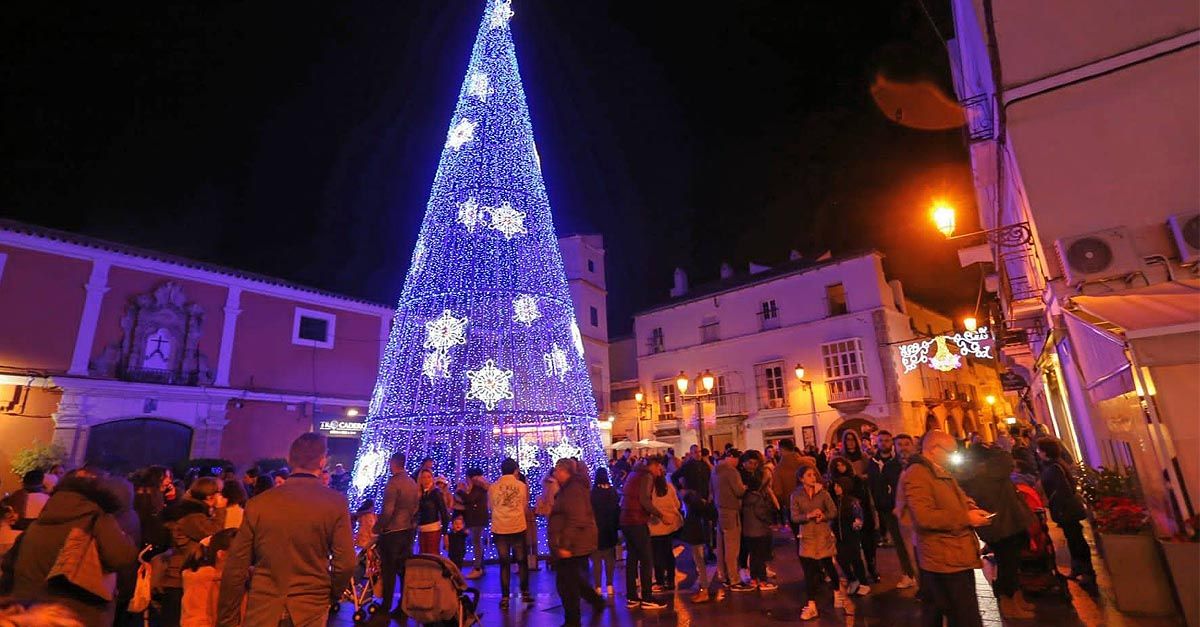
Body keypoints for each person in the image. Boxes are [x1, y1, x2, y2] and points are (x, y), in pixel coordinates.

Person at [217, 433, 355, 626]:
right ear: (322, 461)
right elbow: (346, 562)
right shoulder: (335, 503)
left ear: (290, 460)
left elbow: (236, 566)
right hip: (310, 606)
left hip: (264, 605)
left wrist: (227, 619)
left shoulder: (259, 503)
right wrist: (331, 593)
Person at [1, 471, 138, 625]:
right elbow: (121, 558)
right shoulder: (98, 519)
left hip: (31, 613)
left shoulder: (37, 524)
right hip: (74, 615)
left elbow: (9, 567)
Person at [896, 430, 992, 627]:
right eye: (950, 452)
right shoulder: (917, 474)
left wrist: (970, 506)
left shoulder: (938, 469)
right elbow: (924, 517)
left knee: (958, 612)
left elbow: (956, 496)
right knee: (963, 615)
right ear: (934, 450)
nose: (953, 456)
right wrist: (966, 517)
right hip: (943, 557)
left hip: (955, 554)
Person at [956, 443, 1035, 618]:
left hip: (998, 524)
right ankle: (1008, 605)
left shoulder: (972, 474)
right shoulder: (991, 470)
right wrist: (993, 448)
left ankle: (1015, 599)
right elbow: (1007, 460)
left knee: (1010, 565)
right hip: (1004, 525)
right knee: (1008, 567)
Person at [548, 458, 605, 626]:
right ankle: (595, 601)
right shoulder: (570, 488)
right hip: (574, 542)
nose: (555, 473)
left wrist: (565, 544)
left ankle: (573, 620)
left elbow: (576, 518)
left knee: (566, 583)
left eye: (557, 470)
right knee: (571, 579)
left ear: (564, 471)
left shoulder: (573, 490)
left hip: (573, 544)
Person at [161, 477, 224, 625]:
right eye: (219, 493)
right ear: (210, 496)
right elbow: (214, 534)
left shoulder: (190, 511)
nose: (222, 497)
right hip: (180, 577)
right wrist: (220, 510)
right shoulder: (192, 516)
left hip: (181, 574)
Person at [1037, 438, 1094, 581]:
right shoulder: (1055, 464)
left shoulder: (1055, 467)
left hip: (1067, 510)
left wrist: (1053, 504)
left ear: (1045, 452)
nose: (1037, 452)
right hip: (1066, 510)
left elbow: (1063, 490)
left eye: (1039, 450)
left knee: (1076, 539)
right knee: (1074, 538)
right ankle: (1079, 569)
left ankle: (1086, 571)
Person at [867, 430, 916, 589]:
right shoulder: (881, 465)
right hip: (890, 510)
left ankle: (917, 576)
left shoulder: (913, 463)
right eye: (899, 444)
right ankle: (909, 574)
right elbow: (877, 487)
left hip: (911, 509)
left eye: (906, 444)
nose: (903, 448)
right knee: (901, 543)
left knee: (915, 544)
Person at [791, 465, 840, 620]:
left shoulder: (823, 493)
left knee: (829, 566)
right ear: (801, 479)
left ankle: (837, 592)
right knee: (809, 572)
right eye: (809, 475)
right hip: (807, 537)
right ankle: (812, 605)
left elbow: (833, 511)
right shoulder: (796, 495)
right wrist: (808, 515)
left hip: (823, 535)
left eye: (814, 475)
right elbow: (794, 517)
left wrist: (823, 516)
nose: (813, 478)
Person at [375, 453, 419, 616]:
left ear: (393, 463)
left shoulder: (393, 483)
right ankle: (403, 605)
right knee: (403, 571)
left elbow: (388, 510)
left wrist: (378, 527)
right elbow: (415, 508)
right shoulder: (412, 483)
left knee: (389, 570)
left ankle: (385, 605)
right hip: (407, 531)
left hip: (392, 531)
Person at [620, 458, 667, 609]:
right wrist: (660, 514)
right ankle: (647, 597)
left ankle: (632, 596)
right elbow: (644, 500)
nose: (660, 471)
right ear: (653, 466)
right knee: (647, 559)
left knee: (632, 558)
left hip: (626, 520)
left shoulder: (633, 474)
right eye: (659, 468)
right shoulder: (646, 476)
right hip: (637, 521)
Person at [489, 458, 532, 609]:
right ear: (515, 470)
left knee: (504, 564)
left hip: (500, 528)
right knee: (522, 561)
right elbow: (524, 505)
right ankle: (525, 592)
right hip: (517, 526)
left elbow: (491, 507)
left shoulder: (493, 487)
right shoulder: (521, 485)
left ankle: (505, 597)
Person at [836, 432, 879, 581]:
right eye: (847, 440)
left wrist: (861, 477)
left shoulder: (864, 458)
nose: (850, 443)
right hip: (848, 502)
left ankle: (872, 566)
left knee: (868, 537)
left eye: (852, 439)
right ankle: (857, 572)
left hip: (863, 498)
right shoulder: (840, 459)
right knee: (852, 539)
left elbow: (871, 475)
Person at [181, 528, 237, 626]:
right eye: (239, 552)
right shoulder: (202, 581)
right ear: (221, 554)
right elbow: (195, 620)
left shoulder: (242, 581)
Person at [739, 451, 778, 591]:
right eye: (750, 463)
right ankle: (761, 580)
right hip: (758, 529)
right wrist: (768, 519)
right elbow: (762, 513)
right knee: (759, 555)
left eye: (755, 464)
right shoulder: (757, 497)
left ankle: (754, 579)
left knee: (754, 554)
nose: (753, 466)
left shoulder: (746, 496)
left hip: (748, 529)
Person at [712, 449, 749, 593]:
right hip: (731, 510)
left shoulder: (715, 470)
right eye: (738, 459)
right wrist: (744, 487)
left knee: (721, 547)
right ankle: (734, 579)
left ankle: (724, 576)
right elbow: (739, 491)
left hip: (720, 510)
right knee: (732, 547)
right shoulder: (732, 472)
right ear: (732, 458)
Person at [831, 476, 870, 599]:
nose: (836, 488)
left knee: (856, 559)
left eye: (838, 486)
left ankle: (864, 583)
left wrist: (857, 524)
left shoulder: (853, 502)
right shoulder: (835, 501)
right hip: (839, 537)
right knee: (840, 558)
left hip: (851, 536)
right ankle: (852, 578)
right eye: (835, 486)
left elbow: (859, 518)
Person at [772, 439, 816, 540]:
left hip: (793, 507)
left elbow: (778, 492)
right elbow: (820, 481)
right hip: (813, 503)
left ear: (781, 449)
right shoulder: (807, 463)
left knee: (800, 538)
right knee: (815, 536)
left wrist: (785, 503)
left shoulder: (779, 469)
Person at [648, 470, 683, 592]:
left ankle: (660, 581)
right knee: (668, 553)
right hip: (669, 525)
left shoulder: (650, 490)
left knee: (657, 555)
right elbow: (677, 504)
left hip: (655, 526)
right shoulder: (669, 488)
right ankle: (671, 580)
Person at [589, 467, 620, 599]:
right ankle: (610, 584)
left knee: (596, 560)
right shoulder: (612, 492)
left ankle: (597, 586)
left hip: (596, 529)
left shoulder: (593, 492)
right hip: (610, 529)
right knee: (609, 559)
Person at [456, 468, 489, 579]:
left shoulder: (478, 487)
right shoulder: (480, 487)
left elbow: (470, 499)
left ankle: (477, 568)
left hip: (477, 519)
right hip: (478, 519)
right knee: (478, 543)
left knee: (477, 543)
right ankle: (481, 567)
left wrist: (460, 491)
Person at [415, 469, 449, 555]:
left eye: (428, 477)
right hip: (421, 529)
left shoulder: (436, 493)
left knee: (432, 554)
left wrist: (445, 533)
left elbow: (444, 512)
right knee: (423, 554)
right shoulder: (420, 494)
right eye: (424, 477)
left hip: (433, 528)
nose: (426, 480)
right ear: (420, 479)